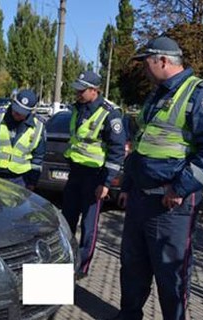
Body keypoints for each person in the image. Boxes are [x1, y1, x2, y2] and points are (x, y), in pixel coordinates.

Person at [110, 36, 203, 320]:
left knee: (171, 276)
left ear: (162, 61)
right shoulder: (156, 95)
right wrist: (127, 185)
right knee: (132, 267)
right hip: (140, 200)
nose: (143, 70)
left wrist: (179, 187)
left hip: (171, 207)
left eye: (145, 63)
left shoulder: (201, 94)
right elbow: (140, 145)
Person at [62, 70, 127, 279]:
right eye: (77, 89)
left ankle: (81, 267)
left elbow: (117, 152)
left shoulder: (110, 113)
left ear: (94, 90)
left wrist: (106, 182)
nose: (78, 93)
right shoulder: (77, 109)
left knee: (89, 225)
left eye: (82, 90)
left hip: (95, 176)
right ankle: (65, 260)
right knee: (67, 219)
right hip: (75, 172)